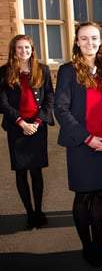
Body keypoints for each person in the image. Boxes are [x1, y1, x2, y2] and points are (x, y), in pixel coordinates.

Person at [54, 21, 102, 267]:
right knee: (83, 196)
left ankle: (100, 244)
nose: (89, 43)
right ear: (76, 42)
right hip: (81, 143)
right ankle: (87, 247)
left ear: (100, 42)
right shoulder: (67, 71)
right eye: (84, 38)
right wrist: (87, 138)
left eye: (94, 38)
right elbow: (61, 110)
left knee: (101, 194)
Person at [0, 35, 54, 229]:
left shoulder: (43, 70)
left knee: (37, 171)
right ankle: (30, 213)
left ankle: (39, 211)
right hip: (17, 128)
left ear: (32, 49)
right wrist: (21, 122)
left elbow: (49, 97)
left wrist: (39, 121)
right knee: (21, 172)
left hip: (38, 127)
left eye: (27, 48)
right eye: (19, 48)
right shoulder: (5, 72)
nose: (24, 51)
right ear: (14, 51)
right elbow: (2, 102)